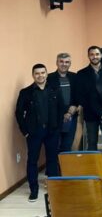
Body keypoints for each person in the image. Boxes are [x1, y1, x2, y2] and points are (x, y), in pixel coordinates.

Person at [15, 64, 63, 202]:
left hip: (52, 131)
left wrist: (58, 128)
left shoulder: (55, 90)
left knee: (52, 160)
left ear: (47, 74)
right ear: (33, 75)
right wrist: (25, 131)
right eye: (37, 73)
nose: (40, 75)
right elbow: (18, 113)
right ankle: (34, 190)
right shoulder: (26, 92)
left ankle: (54, 189)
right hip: (34, 133)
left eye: (43, 73)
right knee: (32, 161)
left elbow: (61, 109)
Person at [47, 53, 79, 152]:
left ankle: (64, 167)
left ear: (70, 64)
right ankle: (55, 167)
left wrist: (74, 107)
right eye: (61, 61)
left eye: (67, 62)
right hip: (54, 118)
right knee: (53, 146)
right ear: (57, 62)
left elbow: (79, 95)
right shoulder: (49, 78)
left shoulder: (75, 77)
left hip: (71, 117)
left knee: (67, 145)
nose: (64, 64)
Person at [76, 46, 102, 150]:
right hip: (90, 114)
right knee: (92, 142)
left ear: (101, 55)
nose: (94, 56)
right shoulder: (81, 74)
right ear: (88, 56)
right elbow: (79, 95)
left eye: (97, 54)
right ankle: (93, 165)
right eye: (92, 54)